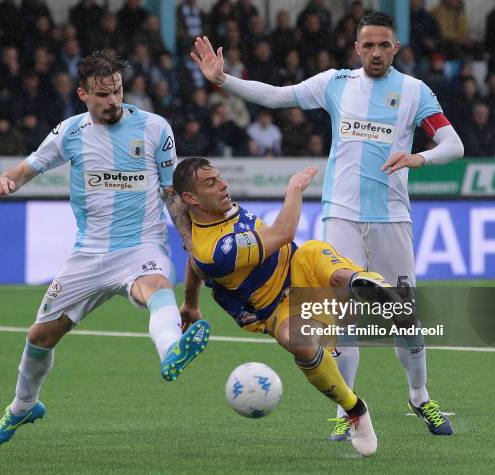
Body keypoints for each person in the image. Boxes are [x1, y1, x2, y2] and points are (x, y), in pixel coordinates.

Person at [190, 11, 463, 440]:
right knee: (343, 317)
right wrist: (225, 80)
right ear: (357, 48)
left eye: (383, 45)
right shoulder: (336, 83)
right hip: (341, 214)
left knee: (404, 315)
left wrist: (418, 157)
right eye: (368, 45)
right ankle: (348, 408)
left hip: (392, 217)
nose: (375, 52)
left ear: (396, 48)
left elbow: (453, 144)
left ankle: (419, 395)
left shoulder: (414, 92)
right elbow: (278, 96)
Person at [0, 50, 209, 446]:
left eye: (118, 90)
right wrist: (7, 183)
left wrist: (191, 244)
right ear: (83, 94)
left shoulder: (155, 128)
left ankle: (173, 351)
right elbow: (25, 169)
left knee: (156, 286)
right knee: (39, 337)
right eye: (103, 94)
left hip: (142, 244)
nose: (113, 101)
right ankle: (23, 407)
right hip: (88, 255)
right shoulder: (69, 132)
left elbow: (173, 192)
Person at [173, 157, 386, 457]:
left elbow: (193, 261)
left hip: (299, 267)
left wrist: (190, 303)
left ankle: (370, 284)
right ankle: (356, 410)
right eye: (211, 183)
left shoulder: (209, 213)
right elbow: (283, 232)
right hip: (273, 309)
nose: (223, 185)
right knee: (294, 341)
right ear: (191, 198)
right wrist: (295, 188)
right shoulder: (216, 251)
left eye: (219, 177)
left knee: (320, 258)